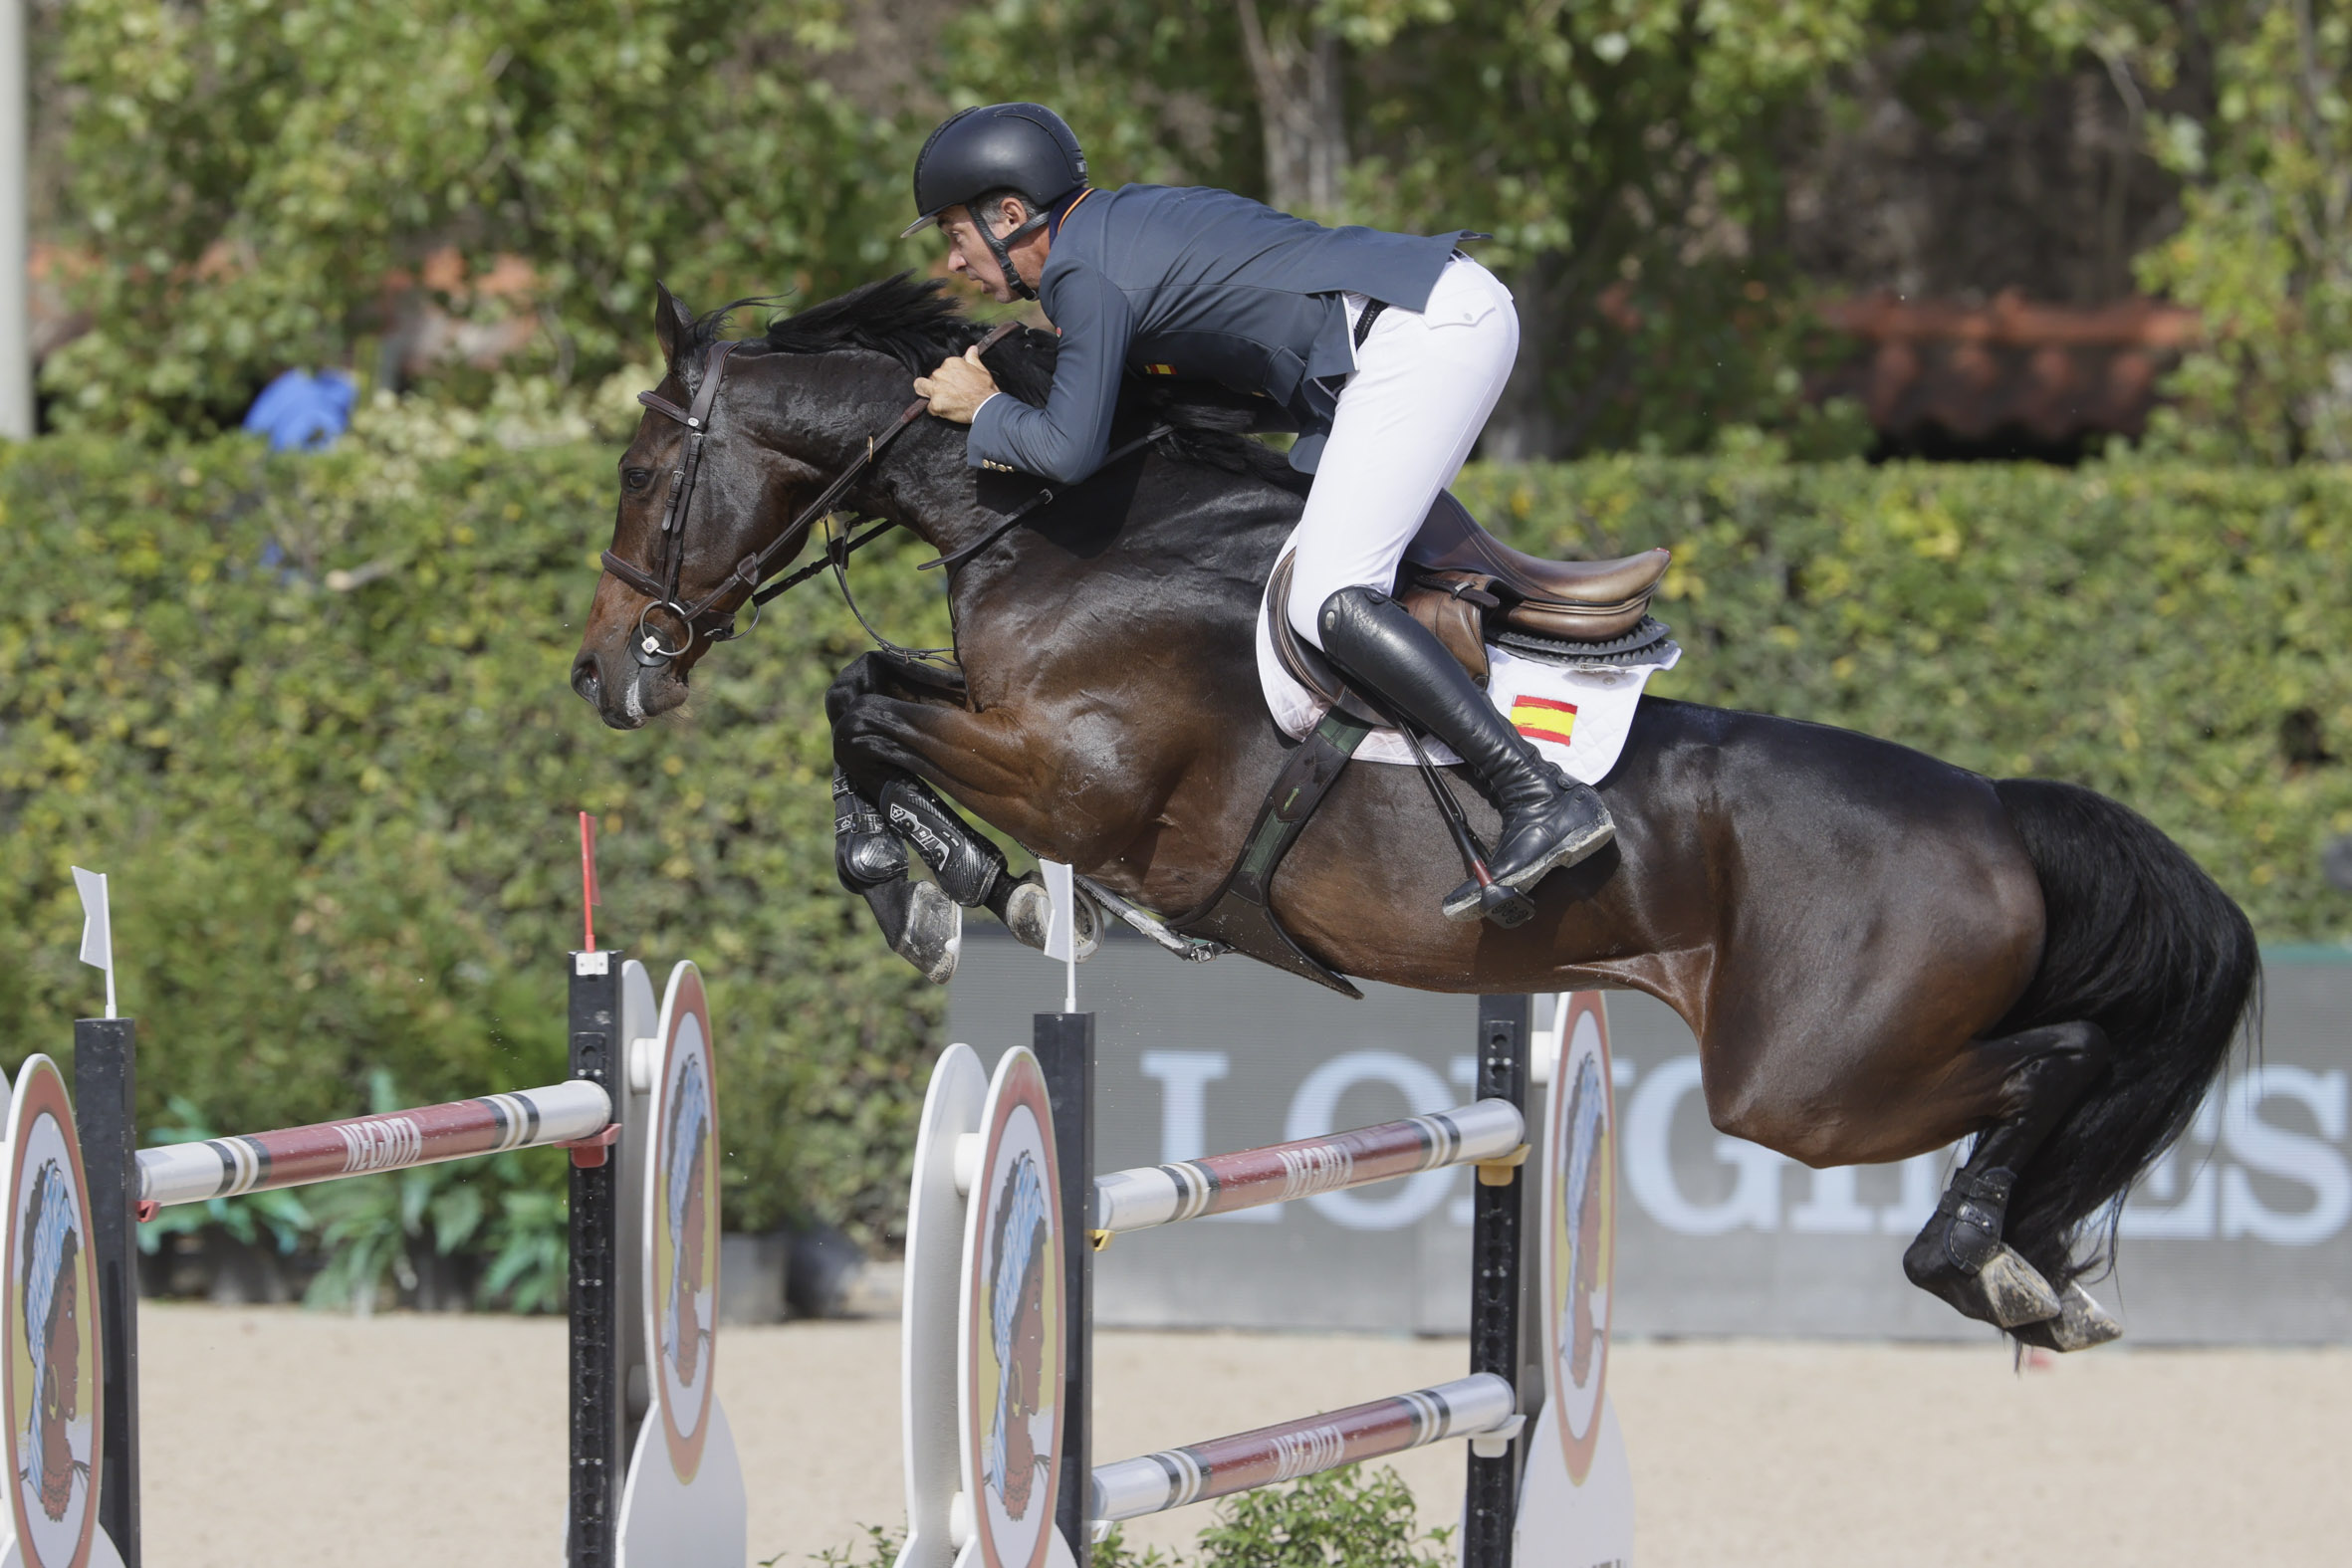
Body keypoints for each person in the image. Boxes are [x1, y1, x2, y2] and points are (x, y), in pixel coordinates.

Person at [907, 104, 1611, 922]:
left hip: (1417, 335)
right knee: (1325, 566)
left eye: (954, 233)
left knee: (1330, 597)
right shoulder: (1113, 230)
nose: (953, 261)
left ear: (1010, 214)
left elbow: (1067, 450)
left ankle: (1539, 795)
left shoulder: (1079, 270)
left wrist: (983, 409)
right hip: (1420, 323)